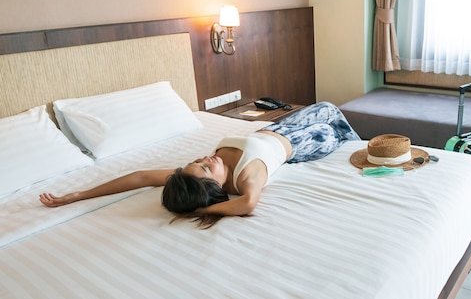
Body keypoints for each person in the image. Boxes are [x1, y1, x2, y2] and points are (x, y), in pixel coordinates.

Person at [39, 102, 360, 228]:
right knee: (335, 129)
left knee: (329, 106)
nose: (206, 159)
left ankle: (364, 145)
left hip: (274, 130)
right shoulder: (248, 177)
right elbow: (247, 204)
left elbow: (139, 177)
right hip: (304, 143)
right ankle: (371, 152)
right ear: (217, 188)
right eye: (207, 168)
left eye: (197, 162)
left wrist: (77, 195)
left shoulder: (193, 177)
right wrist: (202, 211)